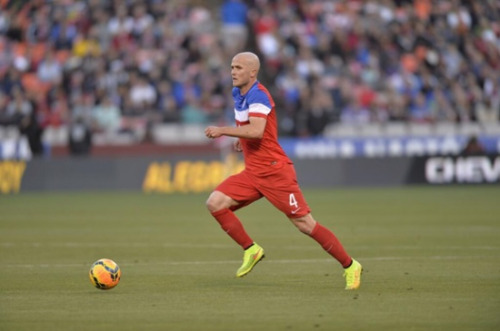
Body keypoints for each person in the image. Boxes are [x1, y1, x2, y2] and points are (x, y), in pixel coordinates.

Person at [204, 52, 362, 290]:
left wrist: (223, 131)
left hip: (274, 172)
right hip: (253, 172)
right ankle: (251, 249)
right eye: (231, 67)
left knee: (305, 225)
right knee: (215, 203)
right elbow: (249, 128)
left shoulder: (259, 94)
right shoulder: (238, 92)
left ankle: (350, 266)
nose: (233, 71)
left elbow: (257, 131)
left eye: (238, 67)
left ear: (252, 72)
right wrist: (241, 140)